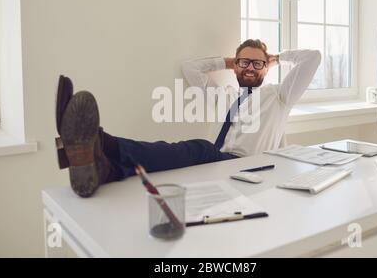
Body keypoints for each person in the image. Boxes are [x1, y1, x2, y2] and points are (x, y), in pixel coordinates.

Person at [55, 39, 321, 197]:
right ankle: (104, 168)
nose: (250, 67)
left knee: (196, 149)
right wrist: (229, 61)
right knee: (174, 156)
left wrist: (276, 57)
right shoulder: (224, 95)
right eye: (243, 62)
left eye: (257, 63)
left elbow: (312, 58)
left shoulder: (279, 96)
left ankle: (101, 142)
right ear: (235, 66)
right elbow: (190, 69)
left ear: (266, 68)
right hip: (214, 165)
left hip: (245, 167)